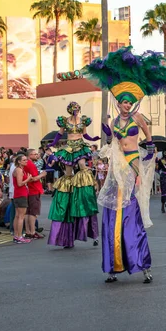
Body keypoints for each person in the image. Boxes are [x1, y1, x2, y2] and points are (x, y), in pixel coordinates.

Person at [84, 46, 166, 284]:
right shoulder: (115, 120)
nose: (127, 105)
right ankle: (114, 265)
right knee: (113, 214)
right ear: (119, 103)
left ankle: (141, 264)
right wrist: (107, 135)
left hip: (133, 163)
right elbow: (113, 143)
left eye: (129, 102)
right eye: (123, 102)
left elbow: (148, 137)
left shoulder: (138, 118)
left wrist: (149, 152)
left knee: (130, 214)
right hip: (117, 166)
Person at [46, 102, 99, 249]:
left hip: (80, 145)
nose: (75, 111)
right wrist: (53, 143)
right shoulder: (64, 120)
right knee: (68, 174)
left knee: (82, 166)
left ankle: (85, 186)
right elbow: (59, 133)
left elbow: (85, 134)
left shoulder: (83, 120)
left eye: (77, 109)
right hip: (69, 146)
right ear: (70, 110)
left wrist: (93, 139)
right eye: (73, 109)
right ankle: (68, 189)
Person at [23, 149, 46, 240]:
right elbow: (33, 178)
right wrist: (42, 175)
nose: (37, 155)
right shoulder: (31, 164)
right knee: (33, 212)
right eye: (35, 154)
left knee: (28, 212)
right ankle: (32, 231)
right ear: (30, 155)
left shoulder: (27, 164)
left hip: (29, 190)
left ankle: (28, 231)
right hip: (34, 190)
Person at [12, 154, 32, 244]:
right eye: (24, 160)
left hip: (18, 194)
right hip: (21, 194)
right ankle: (19, 236)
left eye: (26, 160)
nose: (26, 161)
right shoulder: (19, 170)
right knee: (21, 216)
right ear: (19, 161)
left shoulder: (19, 170)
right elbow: (20, 183)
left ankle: (16, 235)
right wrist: (28, 179)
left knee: (17, 215)